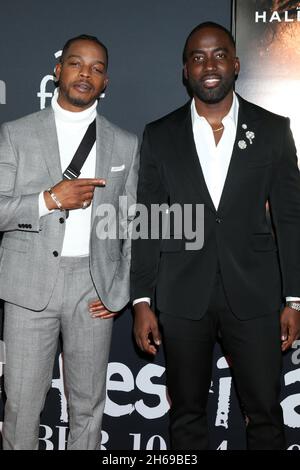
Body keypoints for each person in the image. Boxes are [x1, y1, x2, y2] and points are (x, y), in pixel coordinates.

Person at [130, 22, 300, 450]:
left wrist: (295, 298)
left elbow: (291, 218)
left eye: (219, 54)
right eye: (198, 57)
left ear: (236, 64)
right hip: (183, 295)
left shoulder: (274, 130)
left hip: (257, 295)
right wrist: (141, 300)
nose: (209, 64)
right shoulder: (160, 134)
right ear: (184, 70)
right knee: (186, 416)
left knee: (265, 414)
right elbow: (149, 219)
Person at [0, 34, 139, 450]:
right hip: (28, 286)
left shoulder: (125, 144)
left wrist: (121, 288)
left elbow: (132, 224)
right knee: (22, 406)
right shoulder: (14, 134)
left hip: (92, 288)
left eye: (97, 69)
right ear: (58, 71)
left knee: (88, 406)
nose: (86, 74)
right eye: (77, 64)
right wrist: (49, 199)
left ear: (106, 82)